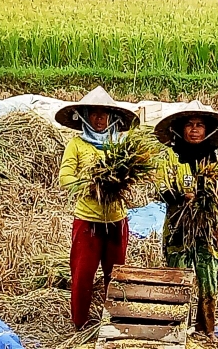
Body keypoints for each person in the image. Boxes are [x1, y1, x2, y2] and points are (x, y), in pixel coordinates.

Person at [55, 86, 140, 330]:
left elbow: (133, 175)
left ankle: (113, 322)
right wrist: (91, 186)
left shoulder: (120, 148)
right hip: (87, 221)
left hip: (116, 221)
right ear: (85, 116)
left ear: (112, 117)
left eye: (104, 114)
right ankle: (79, 324)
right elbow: (65, 177)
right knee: (83, 275)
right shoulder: (77, 145)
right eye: (93, 114)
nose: (99, 119)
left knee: (115, 276)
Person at [153, 100, 218, 341]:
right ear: (180, 129)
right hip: (178, 227)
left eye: (200, 125)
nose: (194, 129)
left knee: (208, 275)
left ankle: (206, 330)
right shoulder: (170, 157)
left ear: (208, 130)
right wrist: (182, 197)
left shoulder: (217, 160)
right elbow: (162, 188)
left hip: (209, 229)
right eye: (189, 125)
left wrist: (217, 198)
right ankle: (176, 328)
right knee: (177, 274)